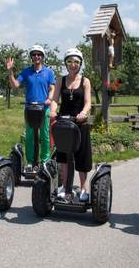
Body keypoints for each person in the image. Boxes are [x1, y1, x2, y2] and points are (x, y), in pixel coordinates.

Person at [50, 48, 92, 202]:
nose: (73, 64)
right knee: (63, 157)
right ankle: (65, 187)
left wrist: (83, 113)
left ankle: (83, 188)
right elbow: (55, 99)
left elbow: (88, 103)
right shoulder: (61, 80)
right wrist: (53, 110)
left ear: (80, 64)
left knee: (81, 157)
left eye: (76, 62)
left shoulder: (85, 81)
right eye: (70, 61)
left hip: (80, 123)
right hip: (64, 122)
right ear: (66, 64)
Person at [6, 45, 55, 169]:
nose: (36, 57)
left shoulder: (48, 72)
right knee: (29, 136)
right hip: (30, 108)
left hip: (44, 108)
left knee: (44, 135)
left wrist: (49, 99)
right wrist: (10, 71)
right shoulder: (26, 72)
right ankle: (30, 161)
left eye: (39, 54)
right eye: (34, 54)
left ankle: (44, 160)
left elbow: (52, 88)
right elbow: (15, 85)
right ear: (31, 57)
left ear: (42, 57)